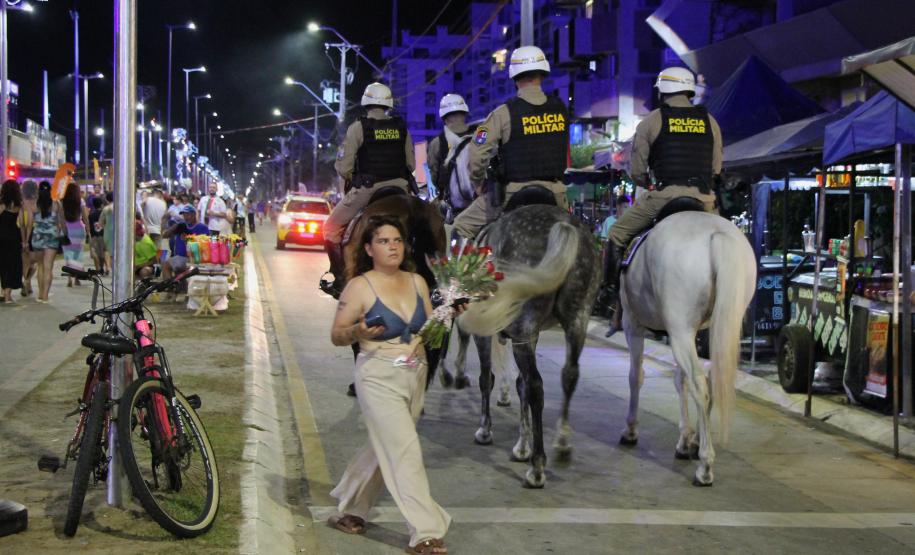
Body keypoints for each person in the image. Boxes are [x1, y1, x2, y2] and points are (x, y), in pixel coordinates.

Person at [329, 215, 457, 555]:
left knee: (386, 446)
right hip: (377, 374)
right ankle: (426, 531)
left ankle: (351, 508)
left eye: (397, 240)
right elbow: (337, 335)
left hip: (415, 373)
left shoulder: (417, 282)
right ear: (369, 249)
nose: (392, 247)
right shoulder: (360, 286)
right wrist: (356, 332)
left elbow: (429, 330)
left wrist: (449, 314)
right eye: (384, 241)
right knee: (404, 449)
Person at [604, 66, 723, 336]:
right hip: (704, 200)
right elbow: (716, 168)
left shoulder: (651, 122)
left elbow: (636, 171)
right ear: (689, 90)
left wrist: (647, 184)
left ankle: (613, 297)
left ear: (662, 91)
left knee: (617, 233)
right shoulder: (711, 122)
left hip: (664, 196)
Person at [452, 45, 570, 239]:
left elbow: (477, 151)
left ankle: (464, 270)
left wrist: (478, 182)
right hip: (556, 196)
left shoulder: (501, 113)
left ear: (515, 77)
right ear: (543, 74)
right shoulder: (561, 109)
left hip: (512, 195)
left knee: (461, 226)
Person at [321, 82, 416, 296]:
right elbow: (411, 164)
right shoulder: (402, 128)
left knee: (330, 227)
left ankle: (339, 277)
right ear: (388, 104)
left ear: (366, 103)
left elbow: (344, 167)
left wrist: (352, 175)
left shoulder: (358, 128)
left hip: (368, 190)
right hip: (400, 189)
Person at [428, 94, 475, 224]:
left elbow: (434, 177)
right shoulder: (479, 136)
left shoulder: (437, 142)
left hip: (452, 206)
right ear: (465, 114)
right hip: (481, 202)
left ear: (444, 118)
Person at [27, 182, 61, 303]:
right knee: (48, 267)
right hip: (52, 237)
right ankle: (46, 296)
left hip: (37, 237)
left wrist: (26, 240)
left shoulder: (33, 205)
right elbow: (59, 223)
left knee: (40, 266)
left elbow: (30, 224)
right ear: (50, 190)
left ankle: (40, 294)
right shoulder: (56, 204)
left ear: (38, 191)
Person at [161, 205, 208, 282]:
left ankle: (171, 286)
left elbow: (205, 245)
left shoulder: (202, 227)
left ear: (193, 214)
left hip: (194, 258)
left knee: (167, 264)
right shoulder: (181, 225)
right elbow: (165, 236)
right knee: (165, 264)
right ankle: (170, 287)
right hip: (180, 257)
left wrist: (188, 240)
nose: (185, 217)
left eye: (187, 214)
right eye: (184, 215)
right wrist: (172, 228)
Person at [0, 180, 26, 303]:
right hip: (14, 238)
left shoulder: (2, 204)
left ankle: (4, 292)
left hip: (1, 237)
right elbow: (21, 224)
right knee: (13, 264)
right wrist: (24, 240)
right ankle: (8, 295)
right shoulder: (18, 205)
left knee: (3, 264)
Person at [61, 182, 90, 285]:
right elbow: (85, 217)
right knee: (78, 254)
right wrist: (88, 229)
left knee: (68, 254)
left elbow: (61, 218)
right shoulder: (80, 201)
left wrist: (63, 230)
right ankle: (77, 277)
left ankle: (69, 277)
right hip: (78, 228)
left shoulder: (62, 201)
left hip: (67, 229)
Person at [87, 196, 106, 275]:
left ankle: (98, 268)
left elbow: (90, 226)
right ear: (101, 204)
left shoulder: (91, 215)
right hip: (103, 235)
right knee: (102, 253)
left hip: (94, 235)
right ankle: (102, 268)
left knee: (95, 252)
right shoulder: (103, 213)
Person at [99, 192, 115, 272]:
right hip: (118, 233)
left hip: (108, 232)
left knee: (109, 252)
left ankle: (110, 269)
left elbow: (100, 223)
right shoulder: (121, 207)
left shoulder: (106, 209)